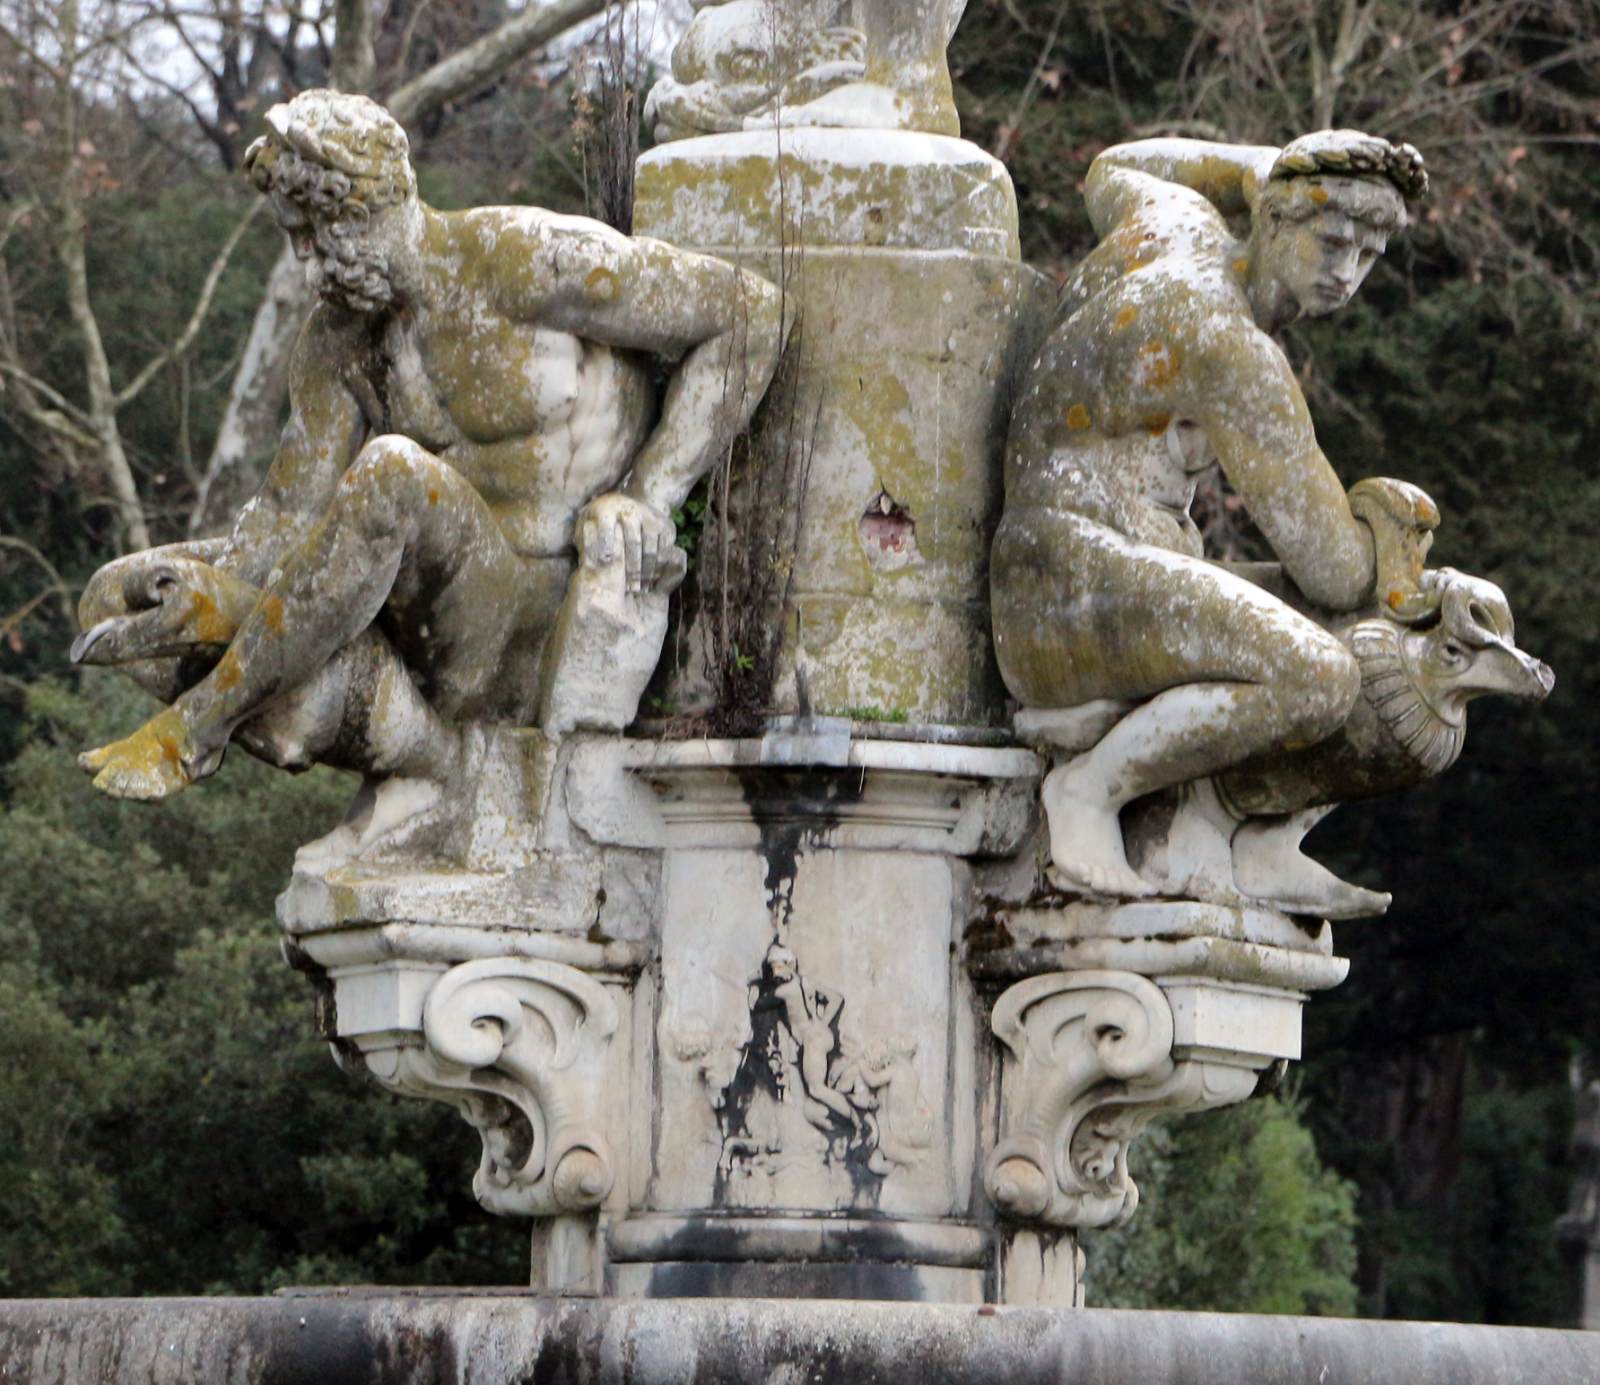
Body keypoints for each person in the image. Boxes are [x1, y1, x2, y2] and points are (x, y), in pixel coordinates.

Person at [72, 90, 785, 854]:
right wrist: (217, 586)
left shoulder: (525, 259)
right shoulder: (337, 340)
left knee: (391, 472)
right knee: (114, 592)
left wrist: (652, 491)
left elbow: (749, 315)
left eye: (313, 236)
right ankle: (422, 757)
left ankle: (200, 727)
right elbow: (285, 510)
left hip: (532, 613)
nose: (306, 264)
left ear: (363, 205)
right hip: (419, 626)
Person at [991, 130, 1435, 913]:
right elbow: (1331, 564)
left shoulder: (1174, 222)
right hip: (1062, 588)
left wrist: (1248, 169)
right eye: (1331, 241)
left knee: (1407, 642)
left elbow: (1112, 166)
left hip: (1113, 578)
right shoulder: (1224, 342)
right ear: (1272, 221)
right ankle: (1087, 793)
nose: (1345, 274)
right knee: (1322, 672)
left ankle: (1255, 834)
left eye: (1366, 255)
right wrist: (1390, 524)